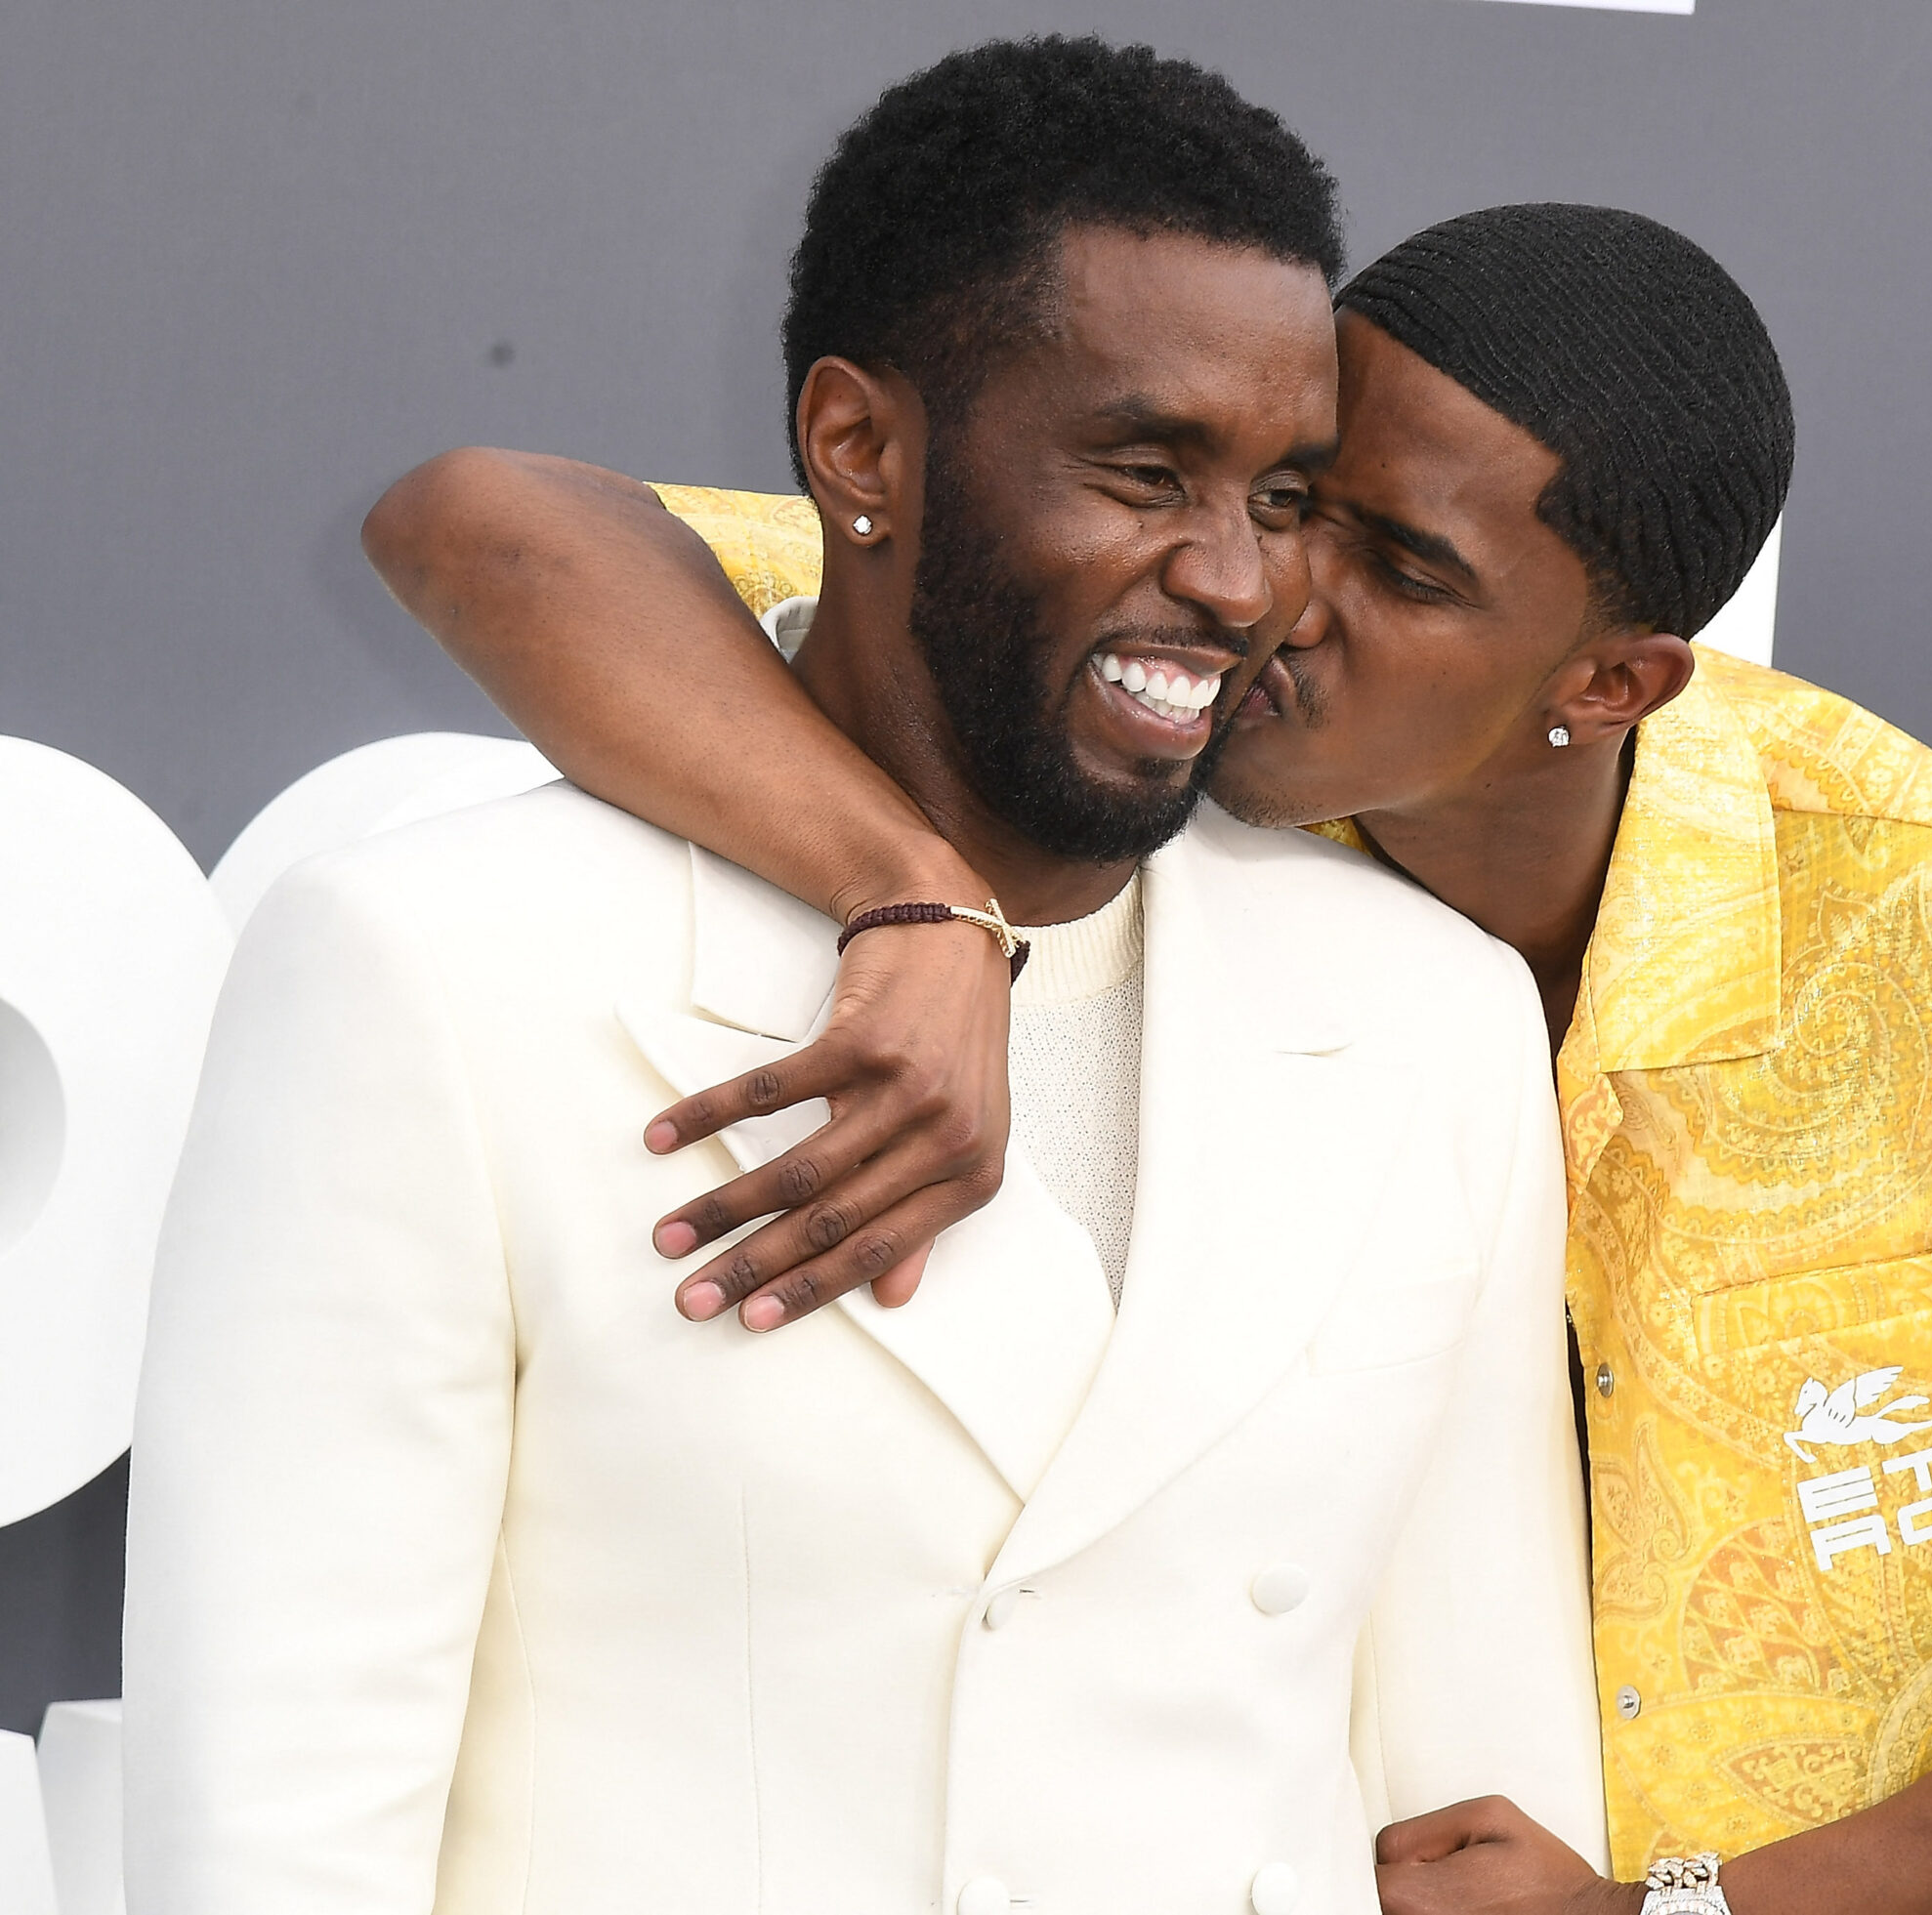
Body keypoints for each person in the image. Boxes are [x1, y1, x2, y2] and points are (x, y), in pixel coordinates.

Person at [371, 186, 1932, 1915]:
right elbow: (485, 517)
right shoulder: (1138, 654)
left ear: (1610, 679)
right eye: (1294, 499)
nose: (1266, 591)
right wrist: (904, 886)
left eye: (1399, 567)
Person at [123, 41, 1609, 1915]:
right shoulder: (434, 969)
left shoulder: (1429, 1020)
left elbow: (1482, 1812)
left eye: (1288, 493)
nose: (1239, 581)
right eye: (1145, 469)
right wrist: (916, 898)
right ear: (857, 451)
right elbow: (276, 1844)